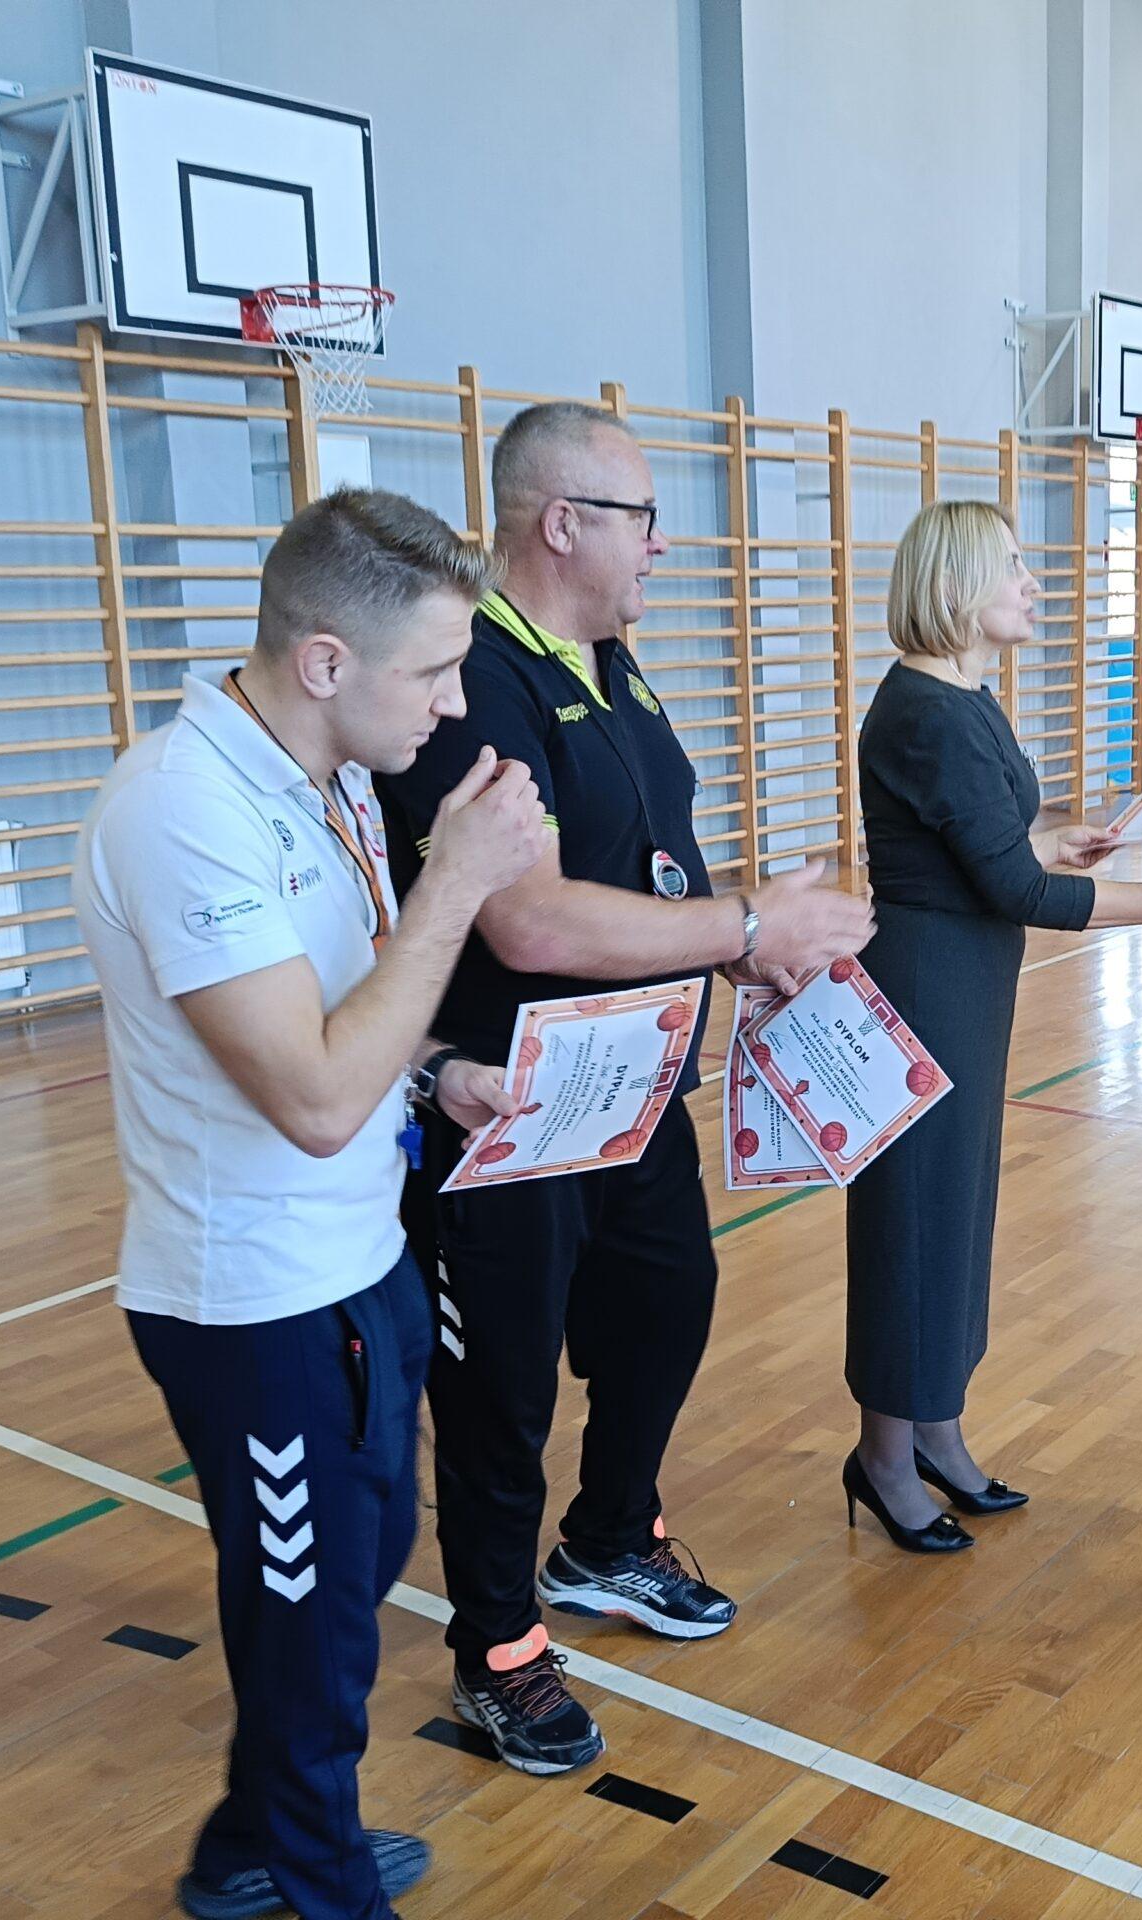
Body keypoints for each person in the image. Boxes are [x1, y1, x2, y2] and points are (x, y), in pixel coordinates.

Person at [72, 489, 556, 1920]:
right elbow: (315, 1097)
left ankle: (249, 1851)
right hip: (255, 1301)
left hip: (359, 1260)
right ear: (327, 662)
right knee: (311, 1622)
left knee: (355, 1570)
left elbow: (350, 1021)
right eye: (436, 671)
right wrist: (455, 886)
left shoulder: (323, 774)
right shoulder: (184, 810)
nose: (456, 703)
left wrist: (443, 1070)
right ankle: (320, 1881)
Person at [375, 403, 873, 1778]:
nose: (664, 542)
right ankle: (498, 1647)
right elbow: (528, 920)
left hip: (631, 1083)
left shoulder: (613, 667)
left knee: (666, 1305)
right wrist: (746, 923)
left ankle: (607, 1538)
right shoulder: (471, 682)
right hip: (500, 1103)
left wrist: (741, 958)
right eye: (644, 517)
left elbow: (652, 864)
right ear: (563, 523)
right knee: (503, 1390)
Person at [843, 500, 1142, 1551]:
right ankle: (884, 1454)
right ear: (955, 587)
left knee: (956, 1210)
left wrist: (1049, 840)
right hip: (927, 986)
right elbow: (1016, 892)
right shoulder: (928, 713)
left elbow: (988, 852)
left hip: (967, 979)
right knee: (915, 1218)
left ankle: (935, 1430)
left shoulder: (964, 699)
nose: (1032, 583)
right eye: (1012, 566)